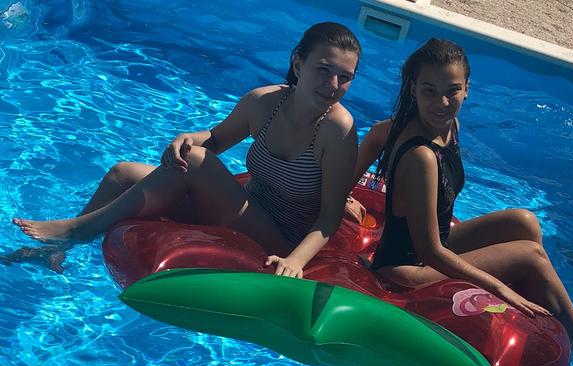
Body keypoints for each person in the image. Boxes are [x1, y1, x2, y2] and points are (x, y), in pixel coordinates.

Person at [10, 22, 361, 279]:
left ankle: (77, 229)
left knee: (194, 160)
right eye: (324, 70)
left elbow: (329, 217)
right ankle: (54, 252)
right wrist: (188, 136)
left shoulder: (338, 131)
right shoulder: (263, 103)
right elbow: (217, 140)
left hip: (281, 237)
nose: (333, 85)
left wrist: (295, 261)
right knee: (122, 174)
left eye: (344, 77)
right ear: (299, 65)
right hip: (243, 208)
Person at [350, 38, 573, 338]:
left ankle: (538, 317)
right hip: (405, 271)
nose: (442, 103)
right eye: (430, 91)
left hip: (440, 245)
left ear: (467, 88)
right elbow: (429, 251)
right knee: (530, 256)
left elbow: (377, 135)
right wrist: (495, 285)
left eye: (452, 90)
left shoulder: (447, 127)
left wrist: (344, 192)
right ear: (414, 89)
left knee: (524, 222)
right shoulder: (421, 156)